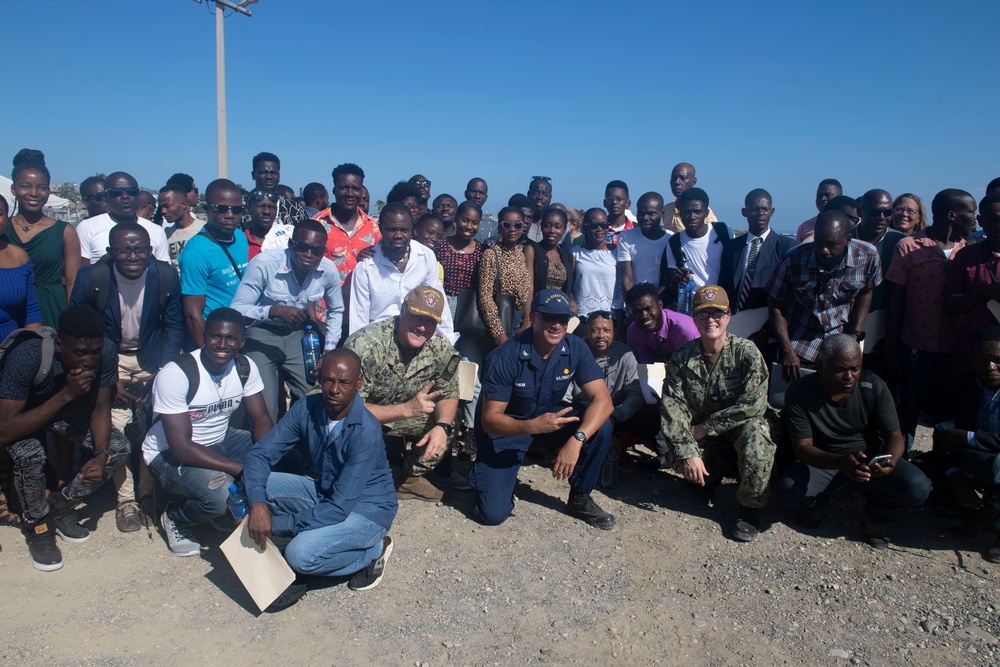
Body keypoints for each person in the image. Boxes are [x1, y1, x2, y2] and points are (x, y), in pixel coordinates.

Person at [243, 349, 398, 599]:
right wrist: (258, 503)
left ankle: (372, 551)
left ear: (358, 383)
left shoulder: (366, 431)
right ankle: (308, 533)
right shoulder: (306, 408)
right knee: (261, 485)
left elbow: (338, 509)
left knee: (300, 555)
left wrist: (277, 525)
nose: (334, 390)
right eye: (328, 380)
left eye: (344, 382)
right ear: (319, 378)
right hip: (327, 492)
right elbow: (260, 454)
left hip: (365, 510)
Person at [70, 222, 183, 531]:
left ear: (150, 250)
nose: (133, 256)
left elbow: (174, 326)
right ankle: (126, 500)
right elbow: (81, 334)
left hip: (152, 357)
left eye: (140, 249)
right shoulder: (91, 278)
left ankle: (148, 494)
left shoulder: (166, 277)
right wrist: (106, 378)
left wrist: (163, 372)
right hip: (109, 356)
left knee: (153, 426)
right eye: (124, 249)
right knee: (115, 428)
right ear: (110, 252)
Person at [470, 289, 616, 529]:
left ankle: (580, 497)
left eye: (563, 319)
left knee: (601, 427)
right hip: (508, 428)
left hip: (548, 418)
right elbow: (490, 420)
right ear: (534, 316)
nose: (557, 325)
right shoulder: (505, 356)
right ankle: (488, 474)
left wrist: (576, 441)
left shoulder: (575, 347)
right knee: (492, 515)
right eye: (550, 318)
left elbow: (603, 401)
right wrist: (532, 426)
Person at [0, 306, 130, 571]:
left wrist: (100, 455)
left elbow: (101, 408)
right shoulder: (26, 358)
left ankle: (60, 504)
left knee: (118, 449)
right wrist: (66, 394)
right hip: (22, 417)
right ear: (60, 345)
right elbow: (5, 429)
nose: (89, 360)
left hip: (65, 411)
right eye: (80, 352)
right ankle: (37, 524)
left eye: (93, 352)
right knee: (30, 454)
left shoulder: (104, 351)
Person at [777, 334, 931, 548]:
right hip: (826, 461)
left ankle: (875, 516)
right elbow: (802, 447)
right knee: (788, 490)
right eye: (841, 369)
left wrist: (890, 462)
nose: (849, 376)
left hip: (869, 460)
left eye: (855, 369)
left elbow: (894, 436)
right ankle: (818, 502)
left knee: (918, 486)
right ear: (820, 366)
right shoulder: (800, 392)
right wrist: (840, 461)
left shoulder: (873, 385)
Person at [142, 308, 273, 557]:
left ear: (241, 342)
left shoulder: (244, 367)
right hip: (170, 453)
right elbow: (181, 446)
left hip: (221, 439)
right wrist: (240, 469)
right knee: (220, 493)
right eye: (215, 337)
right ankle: (176, 518)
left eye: (231, 339)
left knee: (282, 457)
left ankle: (223, 511)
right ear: (203, 337)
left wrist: (266, 458)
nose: (222, 345)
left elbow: (262, 419)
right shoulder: (176, 374)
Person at [661, 286, 776, 542]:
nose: (710, 320)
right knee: (679, 453)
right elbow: (673, 407)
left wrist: (706, 427)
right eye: (703, 314)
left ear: (728, 316)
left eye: (717, 313)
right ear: (694, 318)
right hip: (707, 437)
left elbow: (754, 405)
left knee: (757, 435)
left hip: (740, 431)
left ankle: (750, 508)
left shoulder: (746, 353)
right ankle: (710, 476)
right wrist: (689, 452)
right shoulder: (682, 357)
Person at [345, 286, 460, 502]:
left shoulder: (439, 347)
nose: (422, 327)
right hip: (359, 418)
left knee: (451, 420)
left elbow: (449, 392)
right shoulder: (367, 345)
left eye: (430, 321)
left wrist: (442, 426)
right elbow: (345, 408)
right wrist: (406, 409)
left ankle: (408, 480)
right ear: (402, 310)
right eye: (417, 316)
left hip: (400, 416)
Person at [885, 188, 975, 447]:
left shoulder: (965, 248)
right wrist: (892, 346)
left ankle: (943, 463)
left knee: (945, 406)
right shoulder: (909, 247)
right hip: (915, 342)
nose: (975, 218)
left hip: (954, 344)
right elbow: (895, 299)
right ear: (952, 215)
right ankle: (902, 458)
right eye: (971, 212)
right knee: (909, 404)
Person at [231, 220, 345, 422]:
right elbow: (237, 310)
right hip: (260, 334)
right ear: (291, 245)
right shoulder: (264, 264)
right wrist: (273, 310)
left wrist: (328, 351)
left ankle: (302, 447)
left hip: (295, 334)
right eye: (302, 247)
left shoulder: (328, 270)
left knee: (315, 394)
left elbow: (336, 310)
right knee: (268, 405)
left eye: (316, 251)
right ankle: (266, 449)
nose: (309, 255)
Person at [767, 211, 881, 381]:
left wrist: (854, 335)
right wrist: (787, 350)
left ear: (847, 240)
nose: (823, 250)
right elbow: (775, 304)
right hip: (800, 343)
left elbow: (866, 292)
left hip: (842, 342)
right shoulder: (794, 259)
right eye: (818, 242)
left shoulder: (868, 257)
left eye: (831, 244)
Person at [929, 328, 1000, 562]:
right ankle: (971, 515)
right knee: (922, 476)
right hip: (971, 459)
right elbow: (943, 437)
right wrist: (955, 475)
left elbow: (958, 436)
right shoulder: (957, 384)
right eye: (981, 360)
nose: (990, 367)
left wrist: (968, 436)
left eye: (997, 361)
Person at [349, 203, 457, 342]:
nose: (398, 235)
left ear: (412, 230)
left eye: (404, 230)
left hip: (418, 335)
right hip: (378, 340)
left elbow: (436, 299)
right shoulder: (365, 267)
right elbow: (359, 318)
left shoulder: (426, 256)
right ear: (380, 228)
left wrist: (448, 341)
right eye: (392, 229)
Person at [5, 149, 82, 328]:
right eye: (25, 186)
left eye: (42, 187)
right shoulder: (4, 229)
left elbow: (72, 283)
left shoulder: (65, 231)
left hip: (51, 307)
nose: (34, 193)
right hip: (11, 307)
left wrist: (72, 323)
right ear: (13, 189)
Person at [178, 178, 249, 348]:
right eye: (222, 209)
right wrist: (207, 355)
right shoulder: (196, 253)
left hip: (240, 331)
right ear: (208, 208)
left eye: (237, 209)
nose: (230, 215)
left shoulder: (240, 237)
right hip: (216, 340)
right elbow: (192, 315)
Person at [569, 311, 645, 458]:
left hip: (615, 416)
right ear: (586, 332)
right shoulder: (575, 351)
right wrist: (597, 424)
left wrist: (615, 416)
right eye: (594, 330)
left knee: (649, 413)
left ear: (614, 333)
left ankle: (618, 446)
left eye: (606, 330)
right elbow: (565, 396)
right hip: (581, 414)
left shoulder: (626, 354)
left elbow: (635, 394)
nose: (601, 335)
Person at [945, 191, 1000, 371]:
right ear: (981, 221)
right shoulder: (966, 256)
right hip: (973, 356)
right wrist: (982, 292)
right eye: (994, 219)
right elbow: (949, 305)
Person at [719, 189, 795, 315]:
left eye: (765, 209)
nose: (760, 213)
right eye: (755, 209)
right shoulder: (732, 247)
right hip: (733, 319)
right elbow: (724, 284)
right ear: (744, 212)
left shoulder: (785, 247)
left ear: (772, 212)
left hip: (767, 321)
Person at [76, 171, 169, 265]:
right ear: (105, 197)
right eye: (116, 193)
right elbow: (82, 273)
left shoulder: (157, 231)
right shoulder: (87, 227)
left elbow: (164, 272)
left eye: (131, 192)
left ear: (138, 196)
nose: (125, 196)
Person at [312, 163, 381, 285]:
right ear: (334, 191)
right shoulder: (316, 224)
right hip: (323, 302)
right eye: (343, 187)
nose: (350, 193)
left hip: (361, 302)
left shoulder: (374, 228)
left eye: (355, 188)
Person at [662, 187, 729, 303]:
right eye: (687, 212)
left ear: (706, 213)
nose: (692, 217)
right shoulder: (674, 243)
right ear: (680, 212)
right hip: (692, 307)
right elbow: (672, 285)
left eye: (697, 212)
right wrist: (677, 280)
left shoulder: (723, 232)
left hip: (721, 304)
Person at [478, 206, 533, 345]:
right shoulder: (491, 254)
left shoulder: (520, 255)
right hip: (500, 317)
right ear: (500, 227)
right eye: (507, 224)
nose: (512, 229)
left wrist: (526, 320)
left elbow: (525, 291)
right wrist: (498, 333)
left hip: (518, 318)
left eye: (518, 225)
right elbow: (485, 296)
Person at [853, 189, 905, 313]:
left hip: (884, 317)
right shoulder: (845, 240)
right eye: (873, 212)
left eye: (887, 212)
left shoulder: (900, 243)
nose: (881, 217)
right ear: (860, 212)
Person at [625, 282, 699, 364]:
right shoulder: (634, 332)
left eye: (648, 308)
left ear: (660, 305)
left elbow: (695, 365)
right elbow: (644, 367)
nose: (644, 315)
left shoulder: (685, 330)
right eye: (637, 311)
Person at [0, 193, 42, 338]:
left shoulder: (19, 257)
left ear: (7, 219)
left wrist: (29, 350)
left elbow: (30, 311)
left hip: (9, 349)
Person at [618, 192, 671, 298]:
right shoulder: (626, 238)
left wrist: (654, 304)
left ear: (662, 213)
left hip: (662, 300)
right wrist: (632, 308)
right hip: (635, 301)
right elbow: (627, 280)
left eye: (651, 214)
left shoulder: (671, 240)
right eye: (641, 213)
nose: (645, 218)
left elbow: (668, 280)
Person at [437, 201, 485, 317]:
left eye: (474, 223)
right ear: (456, 218)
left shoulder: (482, 251)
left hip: (468, 308)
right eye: (465, 220)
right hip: (441, 303)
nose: (469, 226)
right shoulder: (441, 244)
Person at [571, 208, 616, 318]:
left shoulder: (615, 254)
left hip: (609, 317)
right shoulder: (576, 253)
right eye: (594, 225)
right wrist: (571, 301)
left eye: (604, 225)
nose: (599, 229)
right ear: (585, 227)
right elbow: (568, 284)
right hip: (582, 316)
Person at [525, 207, 575, 302]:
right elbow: (528, 288)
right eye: (547, 226)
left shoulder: (569, 258)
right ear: (541, 227)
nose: (552, 231)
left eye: (557, 227)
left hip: (560, 312)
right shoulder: (532, 250)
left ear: (564, 229)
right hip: (538, 311)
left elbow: (568, 289)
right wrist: (528, 316)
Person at [244, 152, 306, 226]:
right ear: (253, 175)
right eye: (264, 172)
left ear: (279, 176)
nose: (269, 177)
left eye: (273, 173)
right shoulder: (239, 208)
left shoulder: (296, 210)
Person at [158, 183, 205, 271]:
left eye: (167, 206)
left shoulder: (203, 229)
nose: (163, 211)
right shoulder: (164, 234)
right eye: (161, 207)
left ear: (184, 204)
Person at [662, 163, 718, 233]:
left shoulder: (702, 212)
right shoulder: (667, 208)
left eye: (682, 178)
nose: (677, 182)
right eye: (674, 178)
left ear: (693, 182)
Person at [244, 188, 293, 261]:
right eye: (261, 206)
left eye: (271, 207)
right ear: (248, 209)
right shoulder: (241, 241)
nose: (267, 211)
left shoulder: (287, 236)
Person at [796, 179, 844, 244]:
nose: (823, 199)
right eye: (819, 196)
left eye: (828, 195)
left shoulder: (853, 223)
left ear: (840, 197)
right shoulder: (804, 227)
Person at [603, 180, 633, 247]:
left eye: (619, 199)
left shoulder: (637, 229)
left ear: (627, 203)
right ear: (605, 203)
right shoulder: (598, 230)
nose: (614, 202)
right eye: (610, 199)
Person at [466, 178, 495, 243]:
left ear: (486, 197)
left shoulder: (493, 227)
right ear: (465, 194)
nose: (477, 196)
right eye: (474, 191)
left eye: (481, 193)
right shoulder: (454, 222)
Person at [525, 177, 553, 242]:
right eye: (536, 193)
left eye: (544, 194)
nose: (540, 197)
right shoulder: (519, 223)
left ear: (550, 198)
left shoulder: (558, 226)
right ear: (528, 194)